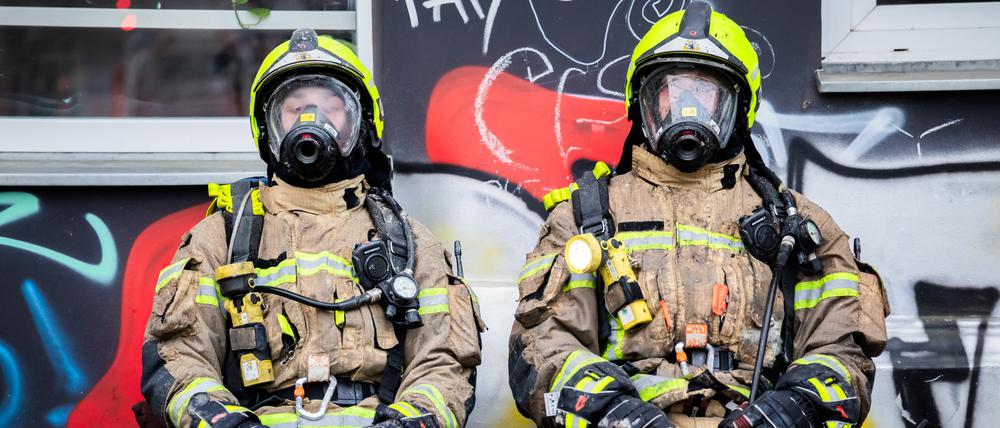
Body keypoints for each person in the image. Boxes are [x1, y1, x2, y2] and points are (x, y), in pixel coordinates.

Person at [508, 3, 889, 427]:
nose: (687, 109)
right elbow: (542, 346)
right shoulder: (584, 219)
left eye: (706, 91)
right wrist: (613, 413)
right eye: (670, 90)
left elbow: (843, 352)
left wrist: (792, 409)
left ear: (739, 107)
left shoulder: (798, 225)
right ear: (641, 103)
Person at [139, 29, 484, 428]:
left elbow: (444, 363)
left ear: (361, 123)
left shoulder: (408, 242)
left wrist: (407, 423)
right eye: (295, 108)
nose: (311, 120)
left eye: (331, 108)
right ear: (268, 127)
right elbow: (179, 356)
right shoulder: (222, 238)